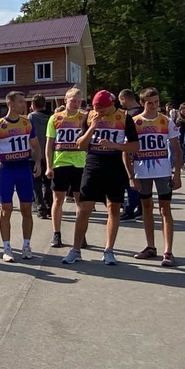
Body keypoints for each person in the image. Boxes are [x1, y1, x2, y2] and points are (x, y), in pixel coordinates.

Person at [61, 90, 138, 266]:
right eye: (97, 109)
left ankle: (109, 250)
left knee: (113, 208)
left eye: (102, 109)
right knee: (84, 208)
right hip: (93, 164)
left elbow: (135, 146)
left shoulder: (124, 117)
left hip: (115, 166)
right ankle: (76, 249)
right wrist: (92, 128)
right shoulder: (89, 116)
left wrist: (115, 145)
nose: (99, 112)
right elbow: (80, 145)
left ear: (112, 105)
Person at [0, 91, 42, 263]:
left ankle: (26, 245)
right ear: (9, 103)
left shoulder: (27, 122)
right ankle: (7, 247)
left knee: (26, 209)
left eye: (24, 102)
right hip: (7, 170)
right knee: (6, 209)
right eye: (20, 102)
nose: (23, 105)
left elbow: (36, 145)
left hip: (24, 169)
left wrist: (38, 162)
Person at [129, 88, 181, 267]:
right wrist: (131, 176)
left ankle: (168, 251)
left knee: (165, 209)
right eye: (150, 103)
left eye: (156, 102)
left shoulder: (166, 121)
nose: (154, 106)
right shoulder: (134, 122)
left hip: (163, 171)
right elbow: (126, 151)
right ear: (142, 103)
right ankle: (150, 246)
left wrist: (177, 174)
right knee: (146, 207)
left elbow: (177, 150)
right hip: (142, 171)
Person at [45, 87, 86, 249]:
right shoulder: (56, 118)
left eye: (79, 101)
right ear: (65, 100)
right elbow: (49, 144)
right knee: (58, 200)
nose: (76, 104)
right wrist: (49, 166)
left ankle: (81, 234)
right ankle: (56, 233)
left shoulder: (84, 117)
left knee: (80, 201)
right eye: (73, 101)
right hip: (60, 162)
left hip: (80, 163)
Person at [117, 89, 143, 222]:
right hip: (145, 152)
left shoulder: (129, 116)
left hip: (131, 151)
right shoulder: (143, 111)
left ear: (124, 98)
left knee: (130, 181)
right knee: (141, 182)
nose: (121, 104)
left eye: (121, 101)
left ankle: (129, 209)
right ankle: (141, 208)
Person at [27, 94, 52, 219]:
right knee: (48, 182)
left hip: (35, 153)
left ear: (33, 105)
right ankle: (49, 206)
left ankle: (41, 207)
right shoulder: (52, 116)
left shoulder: (31, 117)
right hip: (49, 153)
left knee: (36, 182)